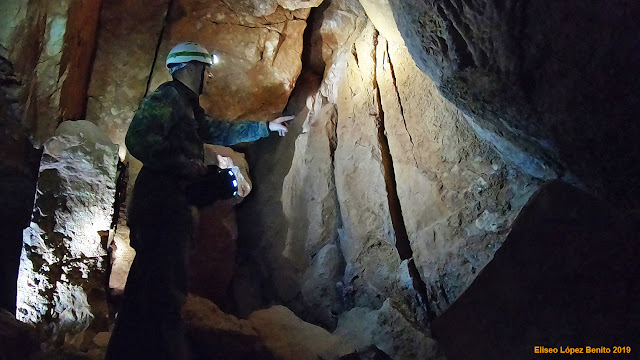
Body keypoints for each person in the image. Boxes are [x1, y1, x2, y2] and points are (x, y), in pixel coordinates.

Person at [105, 42, 292, 360]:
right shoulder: (169, 96)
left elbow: (217, 130)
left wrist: (264, 127)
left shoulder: (187, 106)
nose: (209, 76)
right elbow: (137, 137)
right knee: (164, 291)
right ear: (190, 67)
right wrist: (184, 164)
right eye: (206, 69)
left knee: (147, 288)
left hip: (170, 207)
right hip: (161, 207)